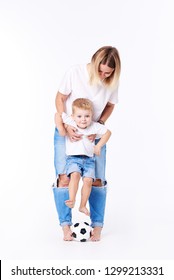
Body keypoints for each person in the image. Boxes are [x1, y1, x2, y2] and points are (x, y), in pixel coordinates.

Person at [53, 45, 121, 241]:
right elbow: (60, 98)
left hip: (93, 134)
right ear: (93, 63)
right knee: (64, 178)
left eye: (108, 73)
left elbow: (110, 106)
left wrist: (98, 124)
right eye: (100, 71)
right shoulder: (75, 72)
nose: (103, 75)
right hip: (68, 131)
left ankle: (97, 226)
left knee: (97, 179)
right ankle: (66, 227)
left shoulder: (111, 81)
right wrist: (66, 125)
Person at [55, 98, 111, 216]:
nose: (83, 119)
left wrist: (99, 146)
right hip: (73, 159)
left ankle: (82, 205)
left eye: (87, 116)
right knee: (74, 175)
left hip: (89, 160)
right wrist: (62, 128)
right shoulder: (71, 122)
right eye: (79, 116)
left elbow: (108, 133)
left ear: (92, 116)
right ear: (73, 116)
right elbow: (57, 115)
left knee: (88, 181)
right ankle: (72, 199)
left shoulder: (94, 126)